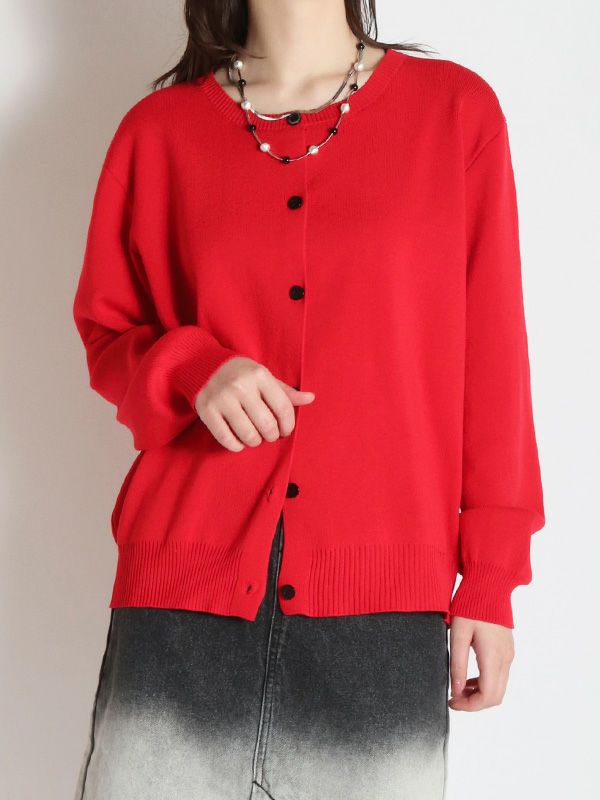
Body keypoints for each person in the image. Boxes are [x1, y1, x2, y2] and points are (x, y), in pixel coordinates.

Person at [71, 1, 546, 798]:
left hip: (382, 619)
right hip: (180, 606)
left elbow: (494, 365)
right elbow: (107, 331)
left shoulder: (455, 115)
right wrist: (193, 368)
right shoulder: (157, 133)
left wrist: (491, 579)